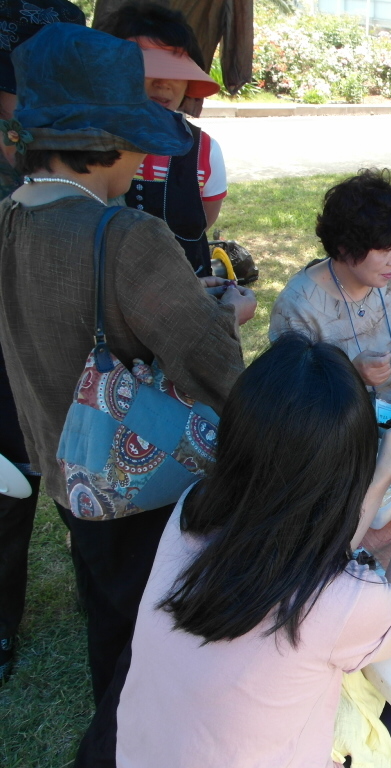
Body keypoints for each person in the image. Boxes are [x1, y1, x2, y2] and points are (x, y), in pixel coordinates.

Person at [0, 21, 255, 717]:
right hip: (138, 478)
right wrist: (230, 314)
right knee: (150, 629)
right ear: (108, 140)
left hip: (66, 468)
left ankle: (115, 717)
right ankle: (130, 737)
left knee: (107, 608)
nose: (145, 154)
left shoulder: (10, 218)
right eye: (137, 135)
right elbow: (212, 363)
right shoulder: (125, 235)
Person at [116, 335, 391, 768]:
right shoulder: (342, 600)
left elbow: (313, 551)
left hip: (138, 754)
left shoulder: (195, 508)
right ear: (348, 469)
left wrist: (381, 475)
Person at [0, 0, 86, 688]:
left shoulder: (63, 16)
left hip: (66, 363)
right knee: (5, 499)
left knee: (83, 490)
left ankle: (99, 584)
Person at [270, 169, 391, 417]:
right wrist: (349, 374)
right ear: (345, 247)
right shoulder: (298, 306)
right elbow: (289, 392)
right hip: (335, 427)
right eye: (384, 250)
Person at [97, 2, 225, 277]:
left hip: (188, 282)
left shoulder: (204, 150)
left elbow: (204, 219)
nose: (163, 83)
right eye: (149, 69)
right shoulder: (89, 143)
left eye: (176, 72)